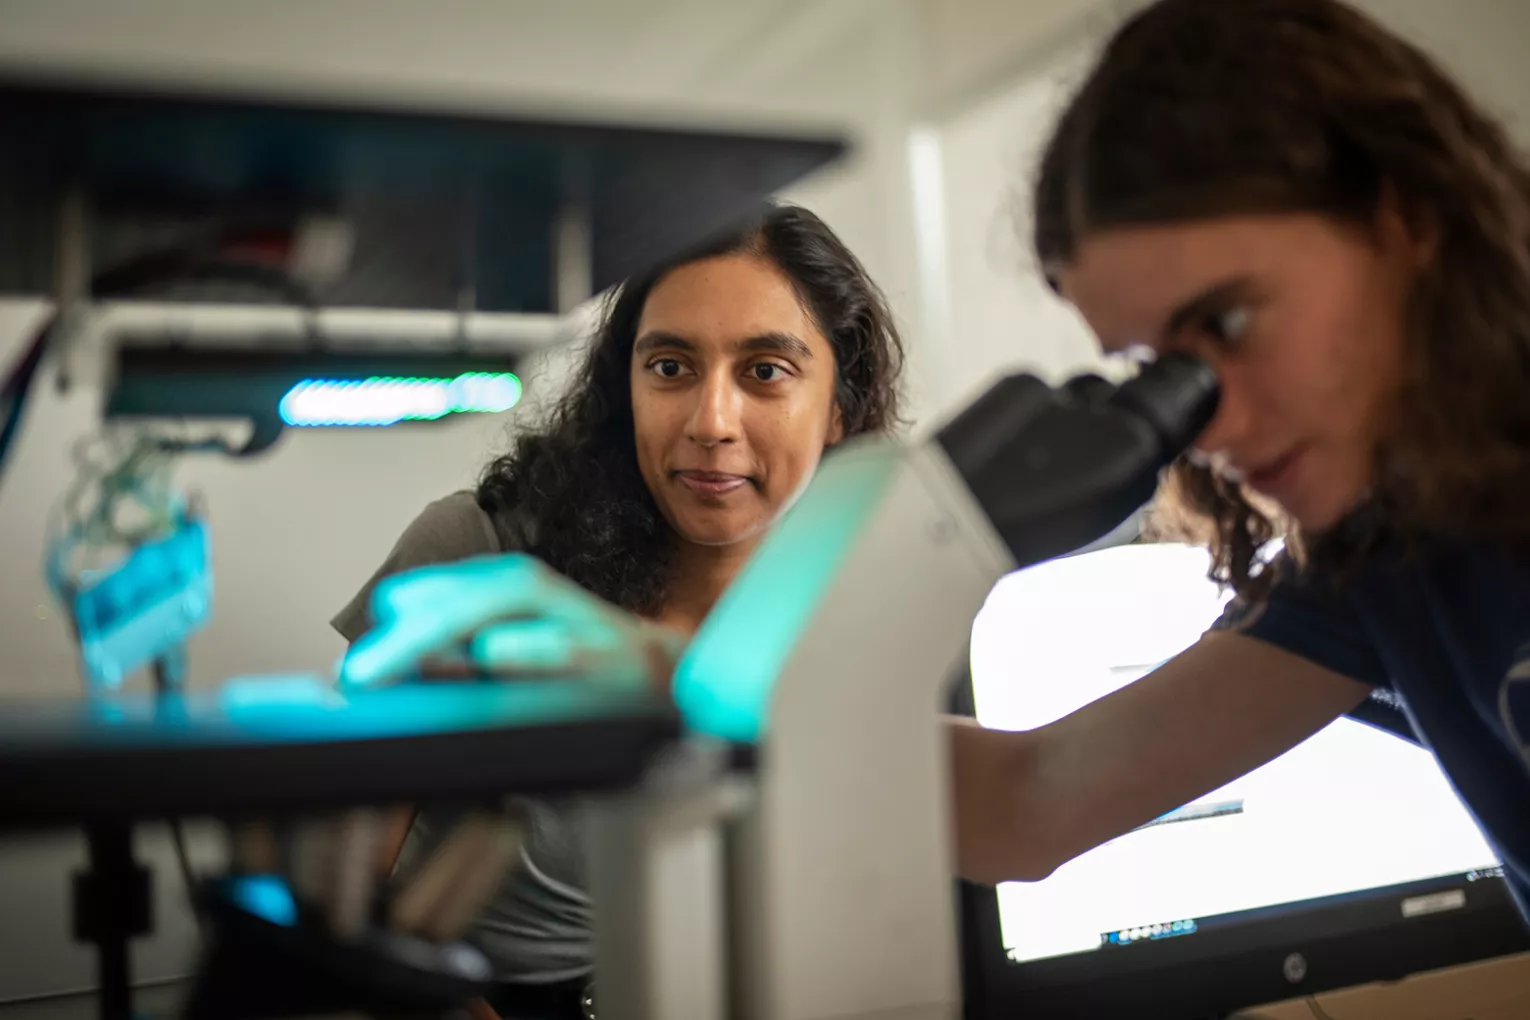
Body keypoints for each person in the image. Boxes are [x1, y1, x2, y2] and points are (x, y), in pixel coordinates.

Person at [948, 0, 1530, 917]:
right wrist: (708, 699)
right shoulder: (1391, 558)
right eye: (1163, 370)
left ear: (1404, 220)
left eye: (1226, 323)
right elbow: (1029, 802)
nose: (1210, 433)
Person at [332, 202, 905, 1015]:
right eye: (670, 367)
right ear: (625, 388)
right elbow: (341, 875)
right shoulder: (483, 552)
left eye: (765, 371)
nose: (711, 422)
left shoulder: (878, 594)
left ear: (839, 409)